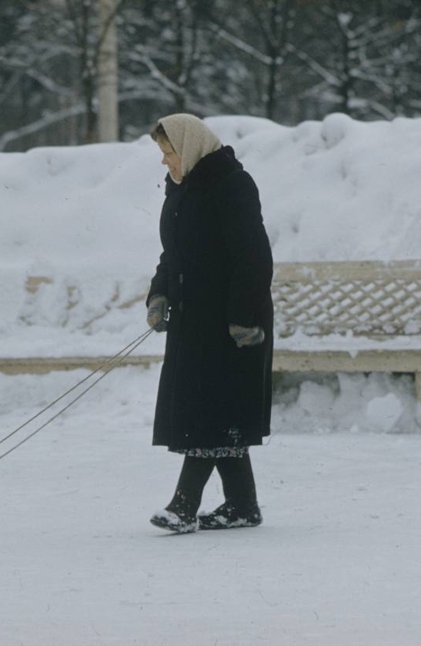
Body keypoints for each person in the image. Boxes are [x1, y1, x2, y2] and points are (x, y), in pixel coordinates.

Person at [145, 114, 274, 534]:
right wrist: (160, 293)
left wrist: (244, 319)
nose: (165, 162)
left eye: (170, 152)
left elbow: (253, 257)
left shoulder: (231, 185)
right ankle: (242, 505)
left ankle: (183, 506)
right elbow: (174, 254)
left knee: (210, 411)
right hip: (193, 321)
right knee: (219, 412)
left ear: (191, 147)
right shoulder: (182, 190)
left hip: (229, 324)